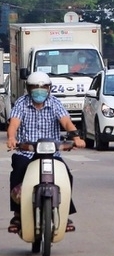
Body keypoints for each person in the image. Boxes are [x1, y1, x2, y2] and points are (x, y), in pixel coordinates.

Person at [6, 71, 85, 233]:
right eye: (35, 87)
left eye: (43, 87)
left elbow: (66, 122)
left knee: (66, 176)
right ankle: (17, 214)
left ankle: (65, 211)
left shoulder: (55, 103)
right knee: (17, 173)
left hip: (52, 153)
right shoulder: (21, 103)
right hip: (26, 152)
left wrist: (76, 137)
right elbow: (13, 124)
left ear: (49, 88)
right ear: (28, 88)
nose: (39, 91)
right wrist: (12, 138)